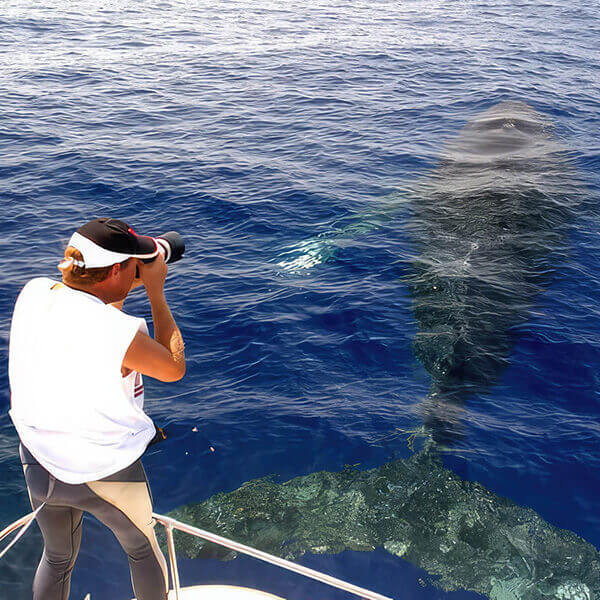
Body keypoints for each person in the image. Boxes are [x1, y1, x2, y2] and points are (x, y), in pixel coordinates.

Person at [8, 218, 186, 600]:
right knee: (141, 551)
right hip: (106, 474)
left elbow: (94, 314)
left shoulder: (35, 293)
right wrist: (155, 291)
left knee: (56, 558)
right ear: (118, 269)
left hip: (40, 464)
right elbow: (173, 368)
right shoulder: (118, 334)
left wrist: (119, 282)